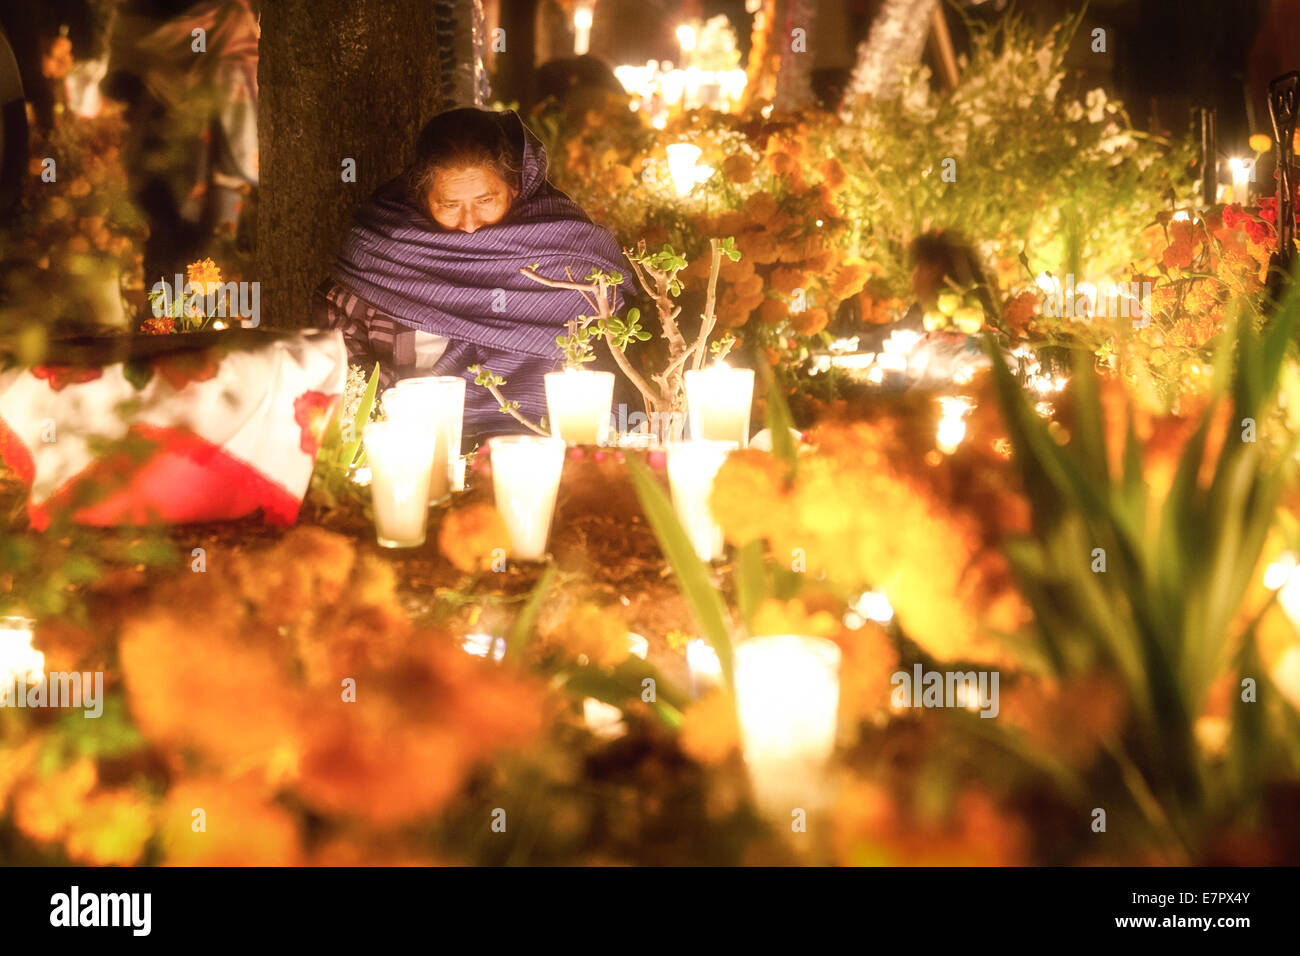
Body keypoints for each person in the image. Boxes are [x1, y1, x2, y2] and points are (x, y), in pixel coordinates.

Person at [314, 107, 637, 446]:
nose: (469, 223)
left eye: (486, 200)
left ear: (514, 185)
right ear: (421, 196)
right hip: (415, 452)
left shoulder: (565, 248)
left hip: (542, 451)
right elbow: (339, 356)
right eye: (449, 205)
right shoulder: (382, 245)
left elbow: (604, 357)